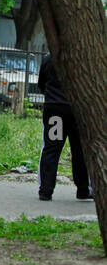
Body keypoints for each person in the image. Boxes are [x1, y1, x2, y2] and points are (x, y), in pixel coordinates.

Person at [35, 51, 93, 201]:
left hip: (55, 110)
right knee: (80, 150)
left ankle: (45, 191)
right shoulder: (82, 56)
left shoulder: (49, 58)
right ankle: (83, 190)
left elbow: (41, 83)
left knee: (51, 149)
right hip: (77, 111)